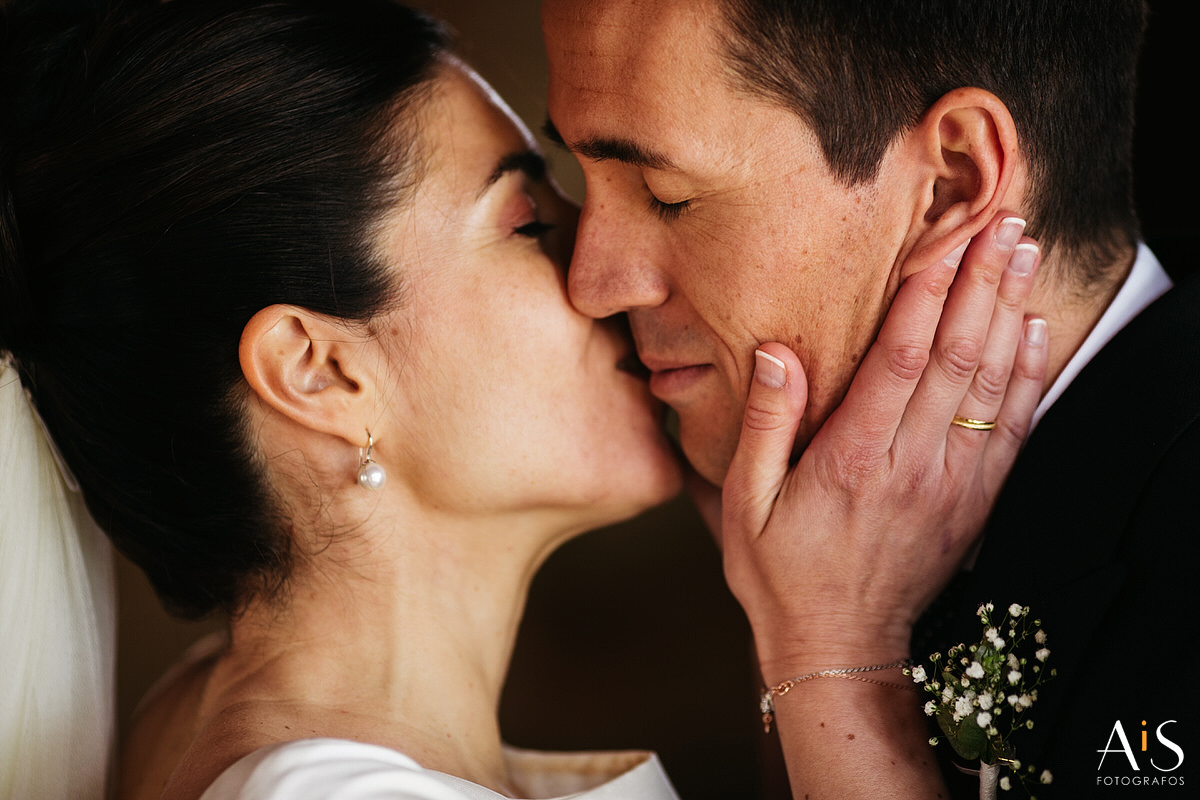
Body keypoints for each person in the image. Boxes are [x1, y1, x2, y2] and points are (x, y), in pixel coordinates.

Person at [1, 1, 1043, 799]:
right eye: (525, 222)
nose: (601, 273)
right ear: (319, 370)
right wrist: (835, 654)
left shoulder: (235, 719)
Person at [542, 0, 1198, 797]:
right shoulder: (833, 519)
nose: (593, 282)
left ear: (951, 184)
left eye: (664, 193)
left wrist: (831, 653)